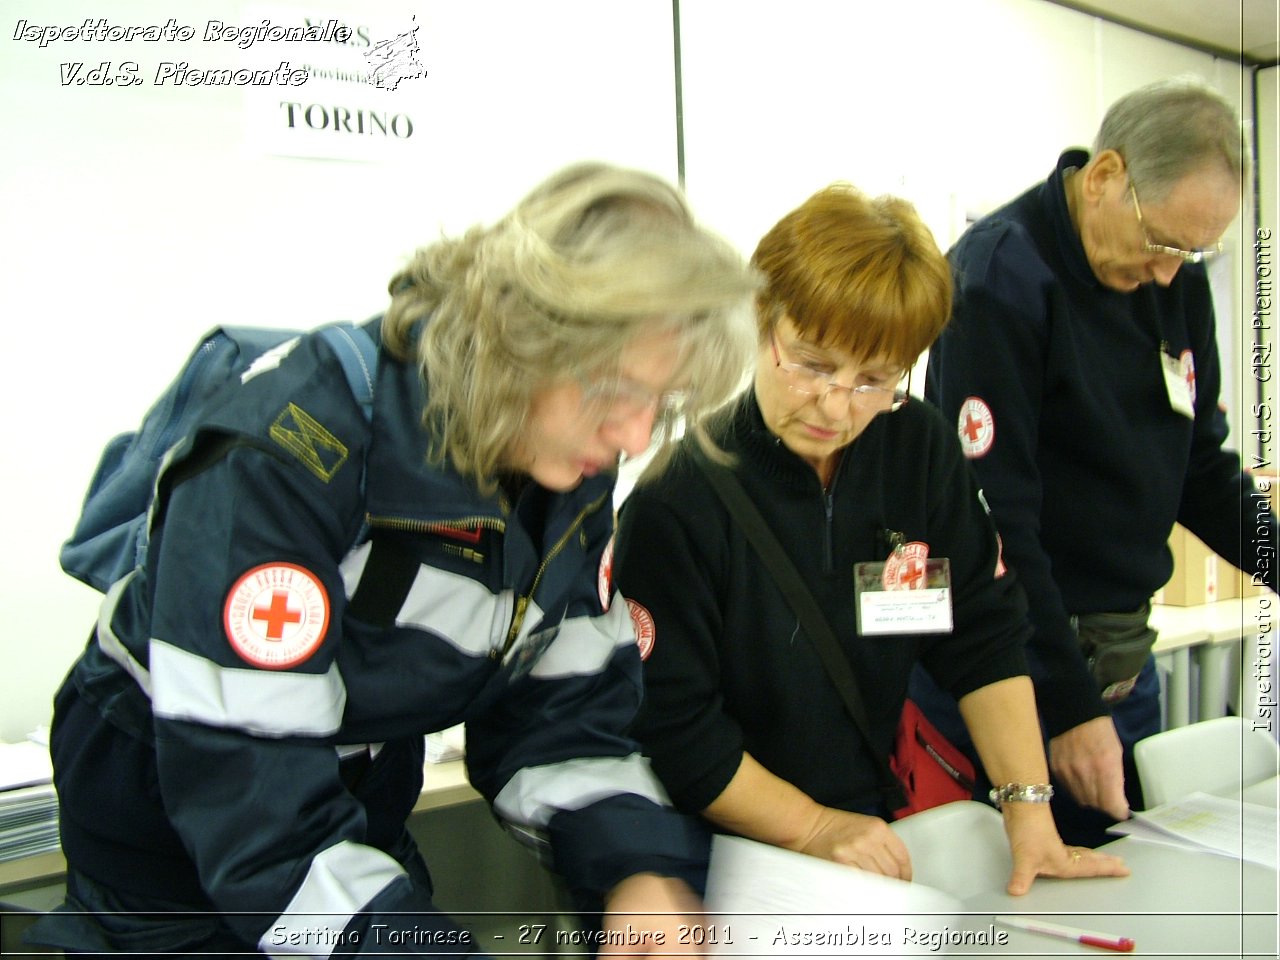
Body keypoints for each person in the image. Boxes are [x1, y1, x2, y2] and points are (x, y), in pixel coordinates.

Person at [27, 162, 759, 956]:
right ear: (521, 337)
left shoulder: (562, 455)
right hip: (176, 828)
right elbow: (260, 820)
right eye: (615, 391)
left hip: (356, 795)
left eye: (662, 401)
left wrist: (636, 872)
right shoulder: (289, 454)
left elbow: (562, 712)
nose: (637, 436)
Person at [612, 183, 1128, 895]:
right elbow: (678, 732)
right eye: (813, 363)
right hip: (721, 851)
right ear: (763, 318)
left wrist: (1031, 815)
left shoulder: (916, 450)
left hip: (867, 831)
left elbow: (981, 635)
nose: (835, 405)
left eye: (873, 379)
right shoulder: (679, 500)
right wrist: (814, 828)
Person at [919, 78, 1278, 847]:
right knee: (1026, 911)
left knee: (1131, 887)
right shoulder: (998, 278)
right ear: (1106, 174)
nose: (1170, 275)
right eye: (1162, 241)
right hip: (1015, 668)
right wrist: (1072, 705)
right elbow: (996, 524)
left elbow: (1199, 470)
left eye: (1194, 251)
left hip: (1119, 663)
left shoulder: (1170, 280)